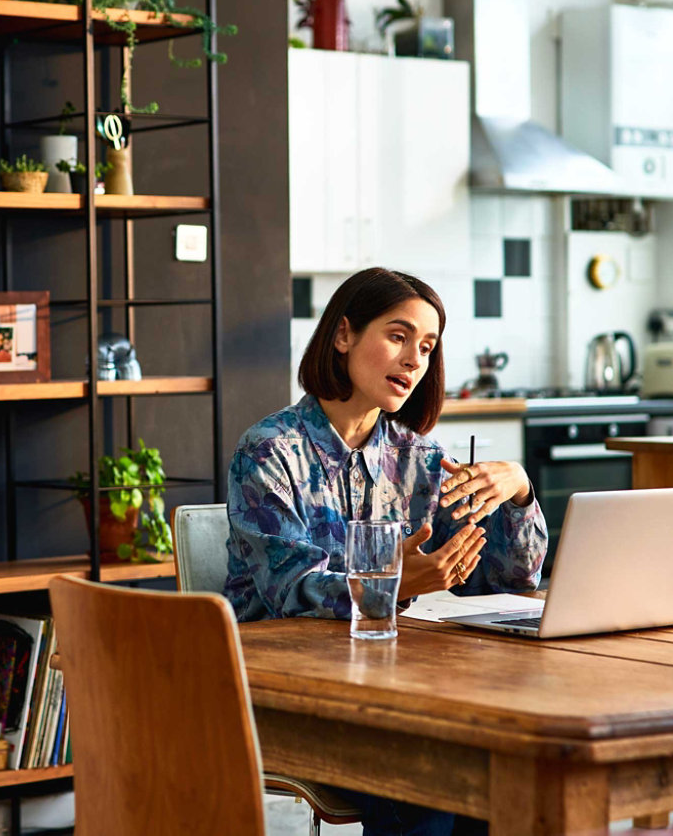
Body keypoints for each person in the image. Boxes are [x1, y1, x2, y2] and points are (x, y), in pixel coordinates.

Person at [225, 267, 546, 836]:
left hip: (404, 693)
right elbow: (289, 590)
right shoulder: (270, 451)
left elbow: (507, 582)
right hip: (291, 700)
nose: (414, 360)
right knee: (435, 785)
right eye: (398, 337)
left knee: (503, 782)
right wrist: (400, 580)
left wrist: (518, 491)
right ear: (343, 335)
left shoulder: (421, 458)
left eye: (425, 347)